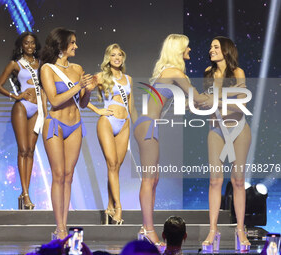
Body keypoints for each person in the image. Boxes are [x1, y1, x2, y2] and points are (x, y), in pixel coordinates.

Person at [134, 34, 211, 247]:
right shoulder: (175, 72)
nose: (190, 51)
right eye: (187, 47)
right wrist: (219, 95)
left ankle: (146, 227)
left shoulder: (166, 72)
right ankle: (148, 230)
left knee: (153, 179)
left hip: (148, 124)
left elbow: (186, 103)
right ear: (178, 49)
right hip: (148, 125)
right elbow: (197, 98)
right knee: (149, 180)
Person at [40, 27, 96, 239]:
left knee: (68, 176)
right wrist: (77, 86)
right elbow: (54, 100)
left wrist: (88, 89)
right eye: (72, 42)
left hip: (75, 125)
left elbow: (82, 103)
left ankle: (65, 223)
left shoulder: (78, 68)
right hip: (55, 124)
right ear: (61, 44)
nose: (76, 46)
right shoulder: (47, 69)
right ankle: (60, 227)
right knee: (58, 175)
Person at [201, 36, 251, 253]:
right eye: (211, 47)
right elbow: (204, 101)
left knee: (238, 180)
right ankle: (213, 229)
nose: (211, 49)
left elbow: (242, 101)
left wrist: (217, 100)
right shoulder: (208, 73)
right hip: (216, 129)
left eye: (215, 47)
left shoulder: (237, 73)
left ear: (226, 50)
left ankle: (240, 229)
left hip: (239, 129)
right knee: (215, 180)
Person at [0, 32, 45, 210]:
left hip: (37, 109)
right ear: (21, 45)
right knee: (23, 149)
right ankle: (25, 194)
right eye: (26, 43)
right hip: (22, 107)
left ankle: (25, 192)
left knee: (30, 151)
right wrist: (14, 95)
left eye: (32, 43)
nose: (29, 46)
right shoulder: (15, 64)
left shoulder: (42, 65)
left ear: (35, 45)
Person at [87, 44, 133, 225]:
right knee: (112, 164)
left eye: (119, 55)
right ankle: (119, 207)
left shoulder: (128, 78)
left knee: (115, 168)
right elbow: (81, 95)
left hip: (125, 124)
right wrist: (97, 110)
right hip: (107, 122)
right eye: (113, 55)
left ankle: (109, 207)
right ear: (108, 58)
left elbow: (131, 107)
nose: (117, 58)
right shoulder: (100, 77)